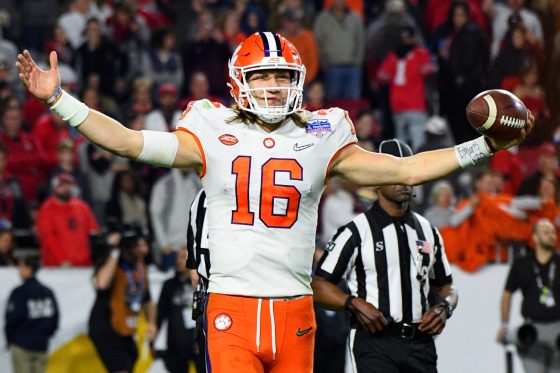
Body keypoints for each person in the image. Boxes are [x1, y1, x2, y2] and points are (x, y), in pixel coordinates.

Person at [17, 31, 531, 373]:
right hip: (232, 306)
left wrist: (482, 146)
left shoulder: (324, 133)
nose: (272, 85)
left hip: (296, 311)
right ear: (240, 80)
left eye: (282, 76)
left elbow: (405, 168)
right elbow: (128, 141)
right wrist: (61, 100)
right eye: (262, 75)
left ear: (298, 81)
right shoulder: (209, 126)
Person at [311, 139, 457, 373]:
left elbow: (446, 286)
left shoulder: (427, 230)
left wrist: (444, 307)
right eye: (393, 172)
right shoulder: (355, 231)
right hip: (375, 342)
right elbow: (319, 285)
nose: (403, 180)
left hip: (421, 343)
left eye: (407, 171)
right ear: (376, 180)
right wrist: (352, 303)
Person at [88, 226, 157, 373]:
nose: (145, 250)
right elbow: (102, 283)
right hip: (104, 325)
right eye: (140, 245)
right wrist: (115, 250)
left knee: (132, 357)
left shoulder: (140, 266)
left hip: (124, 325)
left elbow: (147, 298)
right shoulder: (111, 262)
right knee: (121, 367)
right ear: (129, 247)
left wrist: (151, 322)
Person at [497, 218, 560, 373]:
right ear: (535, 237)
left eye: (553, 232)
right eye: (546, 232)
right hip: (532, 330)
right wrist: (504, 325)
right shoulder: (521, 264)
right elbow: (507, 294)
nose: (551, 235)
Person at [4, 254, 59, 373]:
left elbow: (12, 318)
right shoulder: (47, 292)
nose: (19, 271)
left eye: (22, 267)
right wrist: (44, 335)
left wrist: (11, 339)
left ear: (29, 269)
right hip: (41, 345)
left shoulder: (20, 292)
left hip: (22, 344)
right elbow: (54, 319)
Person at [36, 172, 99, 266]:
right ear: (54, 188)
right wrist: (62, 260)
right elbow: (48, 238)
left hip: (83, 263)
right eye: (61, 185)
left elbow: (94, 231)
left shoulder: (82, 207)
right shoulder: (46, 210)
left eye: (68, 185)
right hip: (56, 266)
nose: (65, 189)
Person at [156, 248, 203, 373]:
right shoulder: (169, 285)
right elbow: (160, 314)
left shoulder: (203, 285)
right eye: (177, 257)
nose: (178, 261)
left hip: (198, 343)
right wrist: (153, 341)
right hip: (176, 344)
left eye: (183, 257)